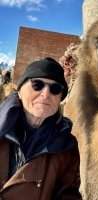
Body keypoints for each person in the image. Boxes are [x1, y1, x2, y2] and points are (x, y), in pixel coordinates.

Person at [0, 57, 82, 200]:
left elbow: (68, 193)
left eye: (55, 89)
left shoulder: (67, 146)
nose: (46, 94)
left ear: (60, 99)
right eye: (37, 85)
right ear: (19, 91)